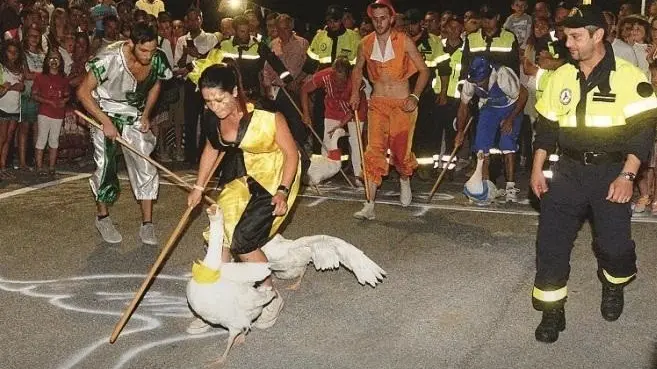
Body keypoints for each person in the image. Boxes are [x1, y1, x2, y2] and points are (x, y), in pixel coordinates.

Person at [530, 5, 657, 343]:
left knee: (614, 247)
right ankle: (552, 311)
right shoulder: (560, 76)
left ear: (598, 35)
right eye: (565, 36)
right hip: (567, 171)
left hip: (611, 172)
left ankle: (613, 284)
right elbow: (546, 127)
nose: (567, 43)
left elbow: (643, 133)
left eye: (575, 36)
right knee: (551, 244)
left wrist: (628, 177)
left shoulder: (629, 76)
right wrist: (537, 168)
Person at [185, 63, 300, 334]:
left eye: (220, 98)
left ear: (235, 91)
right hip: (244, 176)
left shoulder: (267, 115)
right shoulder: (213, 117)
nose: (215, 106)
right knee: (219, 232)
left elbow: (291, 154)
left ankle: (270, 296)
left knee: (244, 241)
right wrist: (198, 188)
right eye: (208, 100)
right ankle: (217, 302)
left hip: (277, 177)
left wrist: (283, 190)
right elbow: (211, 151)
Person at [76, 22, 173, 245]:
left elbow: (156, 84)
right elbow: (82, 92)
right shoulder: (108, 57)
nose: (149, 56)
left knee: (146, 165)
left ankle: (147, 224)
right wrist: (105, 122)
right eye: (143, 50)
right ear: (131, 43)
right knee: (105, 166)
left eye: (152, 49)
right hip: (104, 110)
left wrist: (147, 114)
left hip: (134, 113)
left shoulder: (157, 57)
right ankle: (102, 218)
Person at [350, 0, 429, 219]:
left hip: (403, 104)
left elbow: (423, 71)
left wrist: (415, 95)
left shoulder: (403, 41)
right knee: (373, 151)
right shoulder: (365, 43)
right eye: (375, 19)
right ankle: (369, 204)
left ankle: (405, 179)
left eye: (383, 18)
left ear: (391, 18)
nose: (379, 22)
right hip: (378, 104)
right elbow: (357, 69)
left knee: (400, 152)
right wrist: (355, 92)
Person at [455, 56, 527, 203]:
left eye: (481, 81)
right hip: (490, 108)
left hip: (511, 107)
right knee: (481, 144)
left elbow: (523, 94)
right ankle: (485, 185)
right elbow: (463, 106)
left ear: (488, 74)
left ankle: (510, 188)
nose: (478, 84)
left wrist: (510, 119)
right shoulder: (470, 81)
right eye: (475, 81)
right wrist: (460, 132)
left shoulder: (503, 75)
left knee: (507, 143)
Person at [301, 56, 367, 185]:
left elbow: (353, 108)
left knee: (355, 141)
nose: (338, 83)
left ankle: (359, 175)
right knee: (328, 141)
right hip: (333, 109)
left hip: (356, 110)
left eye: (341, 80)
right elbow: (304, 89)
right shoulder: (324, 76)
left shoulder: (356, 81)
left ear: (348, 75)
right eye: (335, 78)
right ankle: (324, 172)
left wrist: (341, 125)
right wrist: (306, 114)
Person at [174, 6, 218, 165]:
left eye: (196, 19)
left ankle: (205, 155)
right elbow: (177, 66)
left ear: (201, 19)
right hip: (190, 84)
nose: (193, 22)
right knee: (190, 120)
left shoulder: (211, 38)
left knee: (208, 120)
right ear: (186, 21)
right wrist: (186, 53)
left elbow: (210, 60)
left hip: (207, 83)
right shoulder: (181, 40)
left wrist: (195, 56)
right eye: (190, 19)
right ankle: (190, 155)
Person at [32, 47, 69, 176]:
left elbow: (67, 94)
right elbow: (34, 94)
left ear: (61, 61)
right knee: (42, 138)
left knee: (54, 140)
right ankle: (39, 166)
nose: (54, 61)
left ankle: (52, 166)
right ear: (47, 61)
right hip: (45, 112)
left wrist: (64, 101)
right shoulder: (41, 77)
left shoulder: (63, 79)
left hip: (58, 114)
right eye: (51, 58)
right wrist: (48, 102)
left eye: (57, 58)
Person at [0, 39, 24, 179]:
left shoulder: (19, 69)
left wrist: (14, 87)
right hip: (3, 107)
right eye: (10, 52)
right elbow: (3, 88)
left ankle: (3, 166)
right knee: (2, 138)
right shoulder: (2, 68)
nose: (13, 55)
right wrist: (9, 87)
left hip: (15, 108)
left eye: (15, 52)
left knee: (9, 138)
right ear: (5, 52)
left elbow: (20, 86)